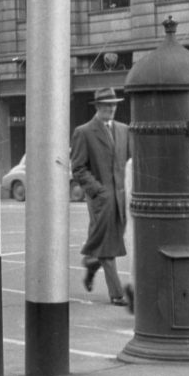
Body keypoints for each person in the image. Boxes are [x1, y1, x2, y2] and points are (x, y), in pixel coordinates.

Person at [70, 87, 134, 310]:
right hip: (100, 199)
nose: (111, 108)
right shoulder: (84, 132)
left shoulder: (124, 130)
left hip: (121, 198)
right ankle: (116, 294)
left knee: (111, 241)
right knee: (108, 244)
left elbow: (130, 161)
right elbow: (78, 168)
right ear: (97, 107)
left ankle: (91, 262)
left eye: (114, 104)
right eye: (107, 105)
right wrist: (97, 190)